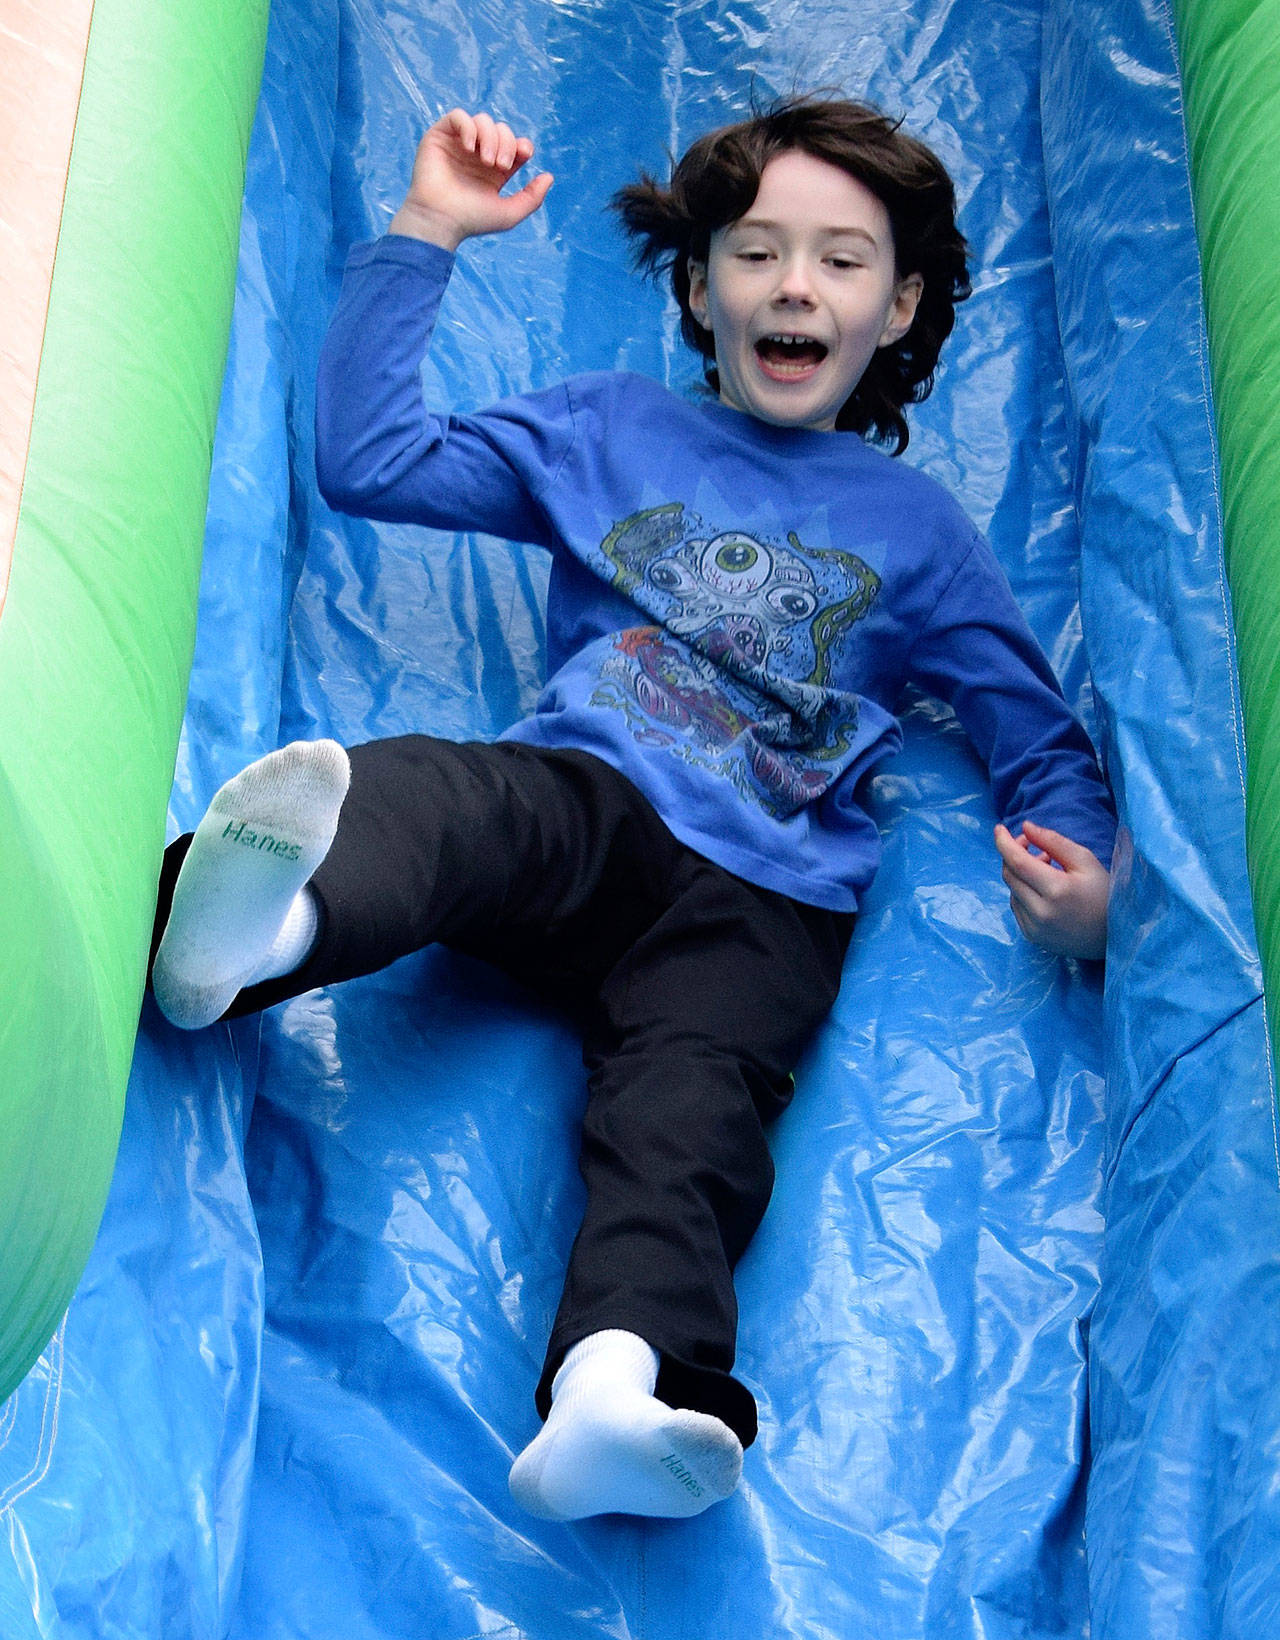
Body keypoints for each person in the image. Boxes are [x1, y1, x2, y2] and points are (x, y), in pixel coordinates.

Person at [149, 97, 1114, 1523]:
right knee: (442, 796)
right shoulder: (611, 429)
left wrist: (1087, 885)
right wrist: (429, 233)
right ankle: (254, 930)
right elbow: (371, 461)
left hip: (764, 901)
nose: (796, 286)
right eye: (759, 251)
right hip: (593, 799)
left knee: (692, 1120)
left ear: (899, 306)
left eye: (843, 262)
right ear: (699, 283)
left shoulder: (919, 537)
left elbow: (1031, 731)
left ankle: (617, 1385)